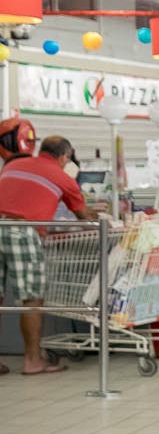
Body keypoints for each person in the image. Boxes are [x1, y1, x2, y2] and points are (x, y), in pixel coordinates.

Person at [0, 136, 100, 376]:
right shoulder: (63, 177)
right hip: (22, 230)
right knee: (32, 297)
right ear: (65, 157)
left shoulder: (13, 165)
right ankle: (33, 360)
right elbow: (84, 216)